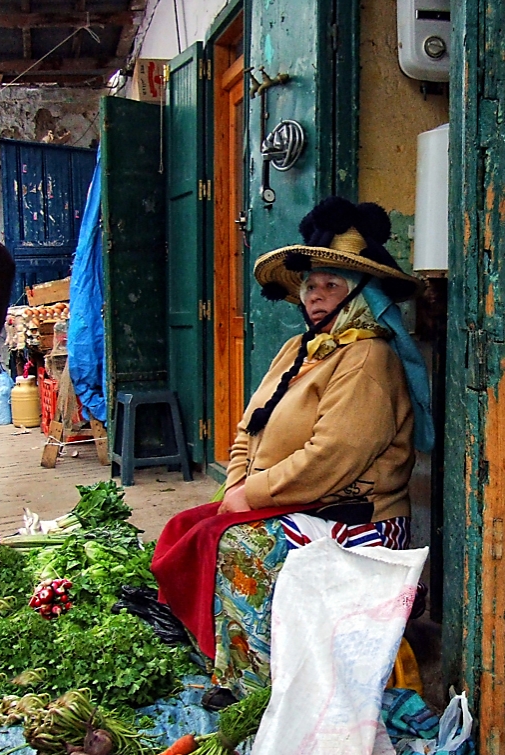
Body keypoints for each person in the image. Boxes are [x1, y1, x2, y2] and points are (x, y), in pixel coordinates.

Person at [151, 196, 434, 709]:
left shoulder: (368, 357)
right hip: (296, 499)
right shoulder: (297, 349)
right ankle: (228, 661)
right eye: (310, 285)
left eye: (332, 285)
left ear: (360, 294)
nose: (316, 295)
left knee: (245, 548)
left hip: (355, 512)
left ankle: (259, 688)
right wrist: (237, 485)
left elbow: (332, 458)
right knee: (189, 529)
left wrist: (252, 496)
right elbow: (248, 428)